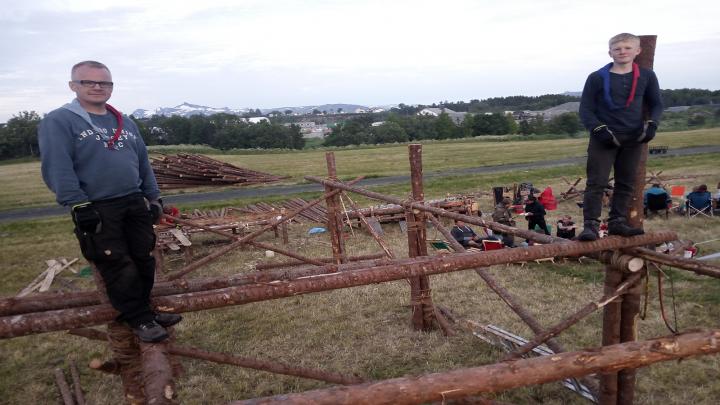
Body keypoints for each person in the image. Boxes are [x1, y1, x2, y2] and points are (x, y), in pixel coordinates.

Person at [38, 61, 181, 343]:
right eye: (88, 82)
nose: (97, 87)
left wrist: (154, 198)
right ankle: (138, 319)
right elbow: (58, 165)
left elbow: (143, 164)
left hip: (134, 201)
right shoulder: (59, 121)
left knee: (143, 258)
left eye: (104, 83)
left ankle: (145, 311)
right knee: (116, 263)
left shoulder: (124, 121)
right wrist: (77, 204)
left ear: (111, 87)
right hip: (97, 205)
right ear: (73, 86)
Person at [577, 33, 663, 241]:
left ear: (637, 51)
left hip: (632, 137)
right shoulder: (596, 77)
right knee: (596, 183)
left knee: (626, 182)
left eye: (627, 48)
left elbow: (657, 104)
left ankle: (617, 222)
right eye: (617, 49)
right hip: (603, 138)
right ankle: (590, 226)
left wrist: (652, 125)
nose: (622, 52)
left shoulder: (646, 76)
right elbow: (585, 109)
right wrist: (599, 129)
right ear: (610, 52)